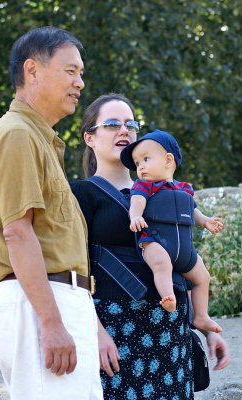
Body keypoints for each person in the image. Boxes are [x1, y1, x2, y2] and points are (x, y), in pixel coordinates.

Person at [71, 93, 229, 399]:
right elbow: (71, 270)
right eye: (113, 124)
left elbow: (182, 257)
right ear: (90, 138)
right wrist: (96, 333)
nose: (124, 131)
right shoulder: (81, 193)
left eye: (131, 124)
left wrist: (207, 329)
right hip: (117, 329)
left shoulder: (163, 189)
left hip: (171, 330)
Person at [0, 26, 103, 400]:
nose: (80, 83)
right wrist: (51, 323)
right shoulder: (17, 134)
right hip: (42, 305)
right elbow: (18, 233)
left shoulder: (38, 138)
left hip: (54, 303)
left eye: (81, 73)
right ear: (32, 71)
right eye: (71, 71)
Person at [120, 129, 223, 334]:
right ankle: (168, 297)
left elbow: (192, 210)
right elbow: (137, 202)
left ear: (168, 160)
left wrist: (206, 222)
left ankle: (201, 316)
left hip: (185, 251)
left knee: (202, 276)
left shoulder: (184, 189)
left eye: (145, 159)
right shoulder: (145, 186)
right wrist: (136, 216)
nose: (140, 167)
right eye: (137, 163)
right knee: (161, 264)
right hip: (155, 241)